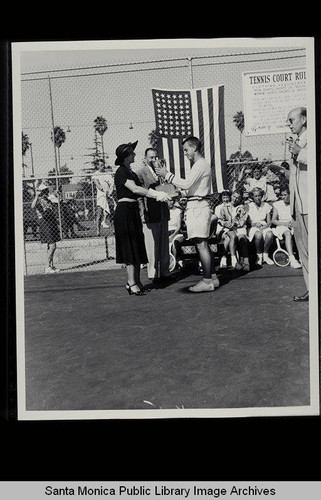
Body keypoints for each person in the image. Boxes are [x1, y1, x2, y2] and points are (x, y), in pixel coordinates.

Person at [155, 136, 220, 293]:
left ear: (194, 148)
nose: (185, 153)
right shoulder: (199, 165)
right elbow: (190, 189)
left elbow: (186, 183)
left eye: (186, 149)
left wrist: (166, 174)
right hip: (197, 206)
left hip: (198, 209)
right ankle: (213, 278)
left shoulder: (200, 164)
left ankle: (206, 281)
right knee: (202, 243)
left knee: (201, 244)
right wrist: (175, 192)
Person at [113, 141, 172, 296]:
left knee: (137, 246)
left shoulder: (130, 172)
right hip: (124, 211)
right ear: (125, 156)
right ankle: (131, 282)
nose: (134, 154)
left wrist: (163, 190)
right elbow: (135, 189)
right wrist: (156, 194)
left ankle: (136, 281)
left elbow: (145, 187)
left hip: (132, 211)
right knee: (129, 247)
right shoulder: (121, 172)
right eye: (131, 153)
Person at [136, 148, 174, 282]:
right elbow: (139, 195)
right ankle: (153, 274)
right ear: (145, 158)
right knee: (151, 246)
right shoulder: (140, 173)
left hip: (163, 213)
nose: (154, 160)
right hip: (150, 214)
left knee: (164, 244)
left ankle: (165, 271)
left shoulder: (162, 171)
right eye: (151, 157)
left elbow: (168, 188)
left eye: (156, 157)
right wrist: (142, 213)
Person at [286, 107, 308, 301]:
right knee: (303, 249)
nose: (289, 124)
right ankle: (311, 288)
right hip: (298, 205)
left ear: (304, 118)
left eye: (292, 120)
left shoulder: (311, 138)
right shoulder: (297, 142)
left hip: (310, 205)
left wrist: (300, 152)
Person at [31, 183, 61, 274]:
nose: (46, 192)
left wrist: (55, 194)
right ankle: (47, 266)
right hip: (45, 223)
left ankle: (51, 265)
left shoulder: (47, 200)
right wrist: (37, 195)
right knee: (52, 246)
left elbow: (56, 201)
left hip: (51, 222)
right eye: (44, 190)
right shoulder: (38, 200)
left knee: (51, 245)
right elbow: (32, 206)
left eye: (46, 190)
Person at [271, 185, 301, 269]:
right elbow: (273, 220)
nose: (283, 197)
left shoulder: (295, 204)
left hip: (293, 225)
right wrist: (285, 224)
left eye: (285, 195)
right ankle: (292, 259)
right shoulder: (277, 204)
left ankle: (302, 258)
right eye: (282, 195)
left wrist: (293, 223)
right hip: (281, 225)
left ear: (290, 195)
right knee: (287, 233)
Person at [220, 190, 250, 271]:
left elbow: (243, 220)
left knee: (242, 238)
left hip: (239, 228)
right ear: (231, 196)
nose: (235, 199)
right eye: (234, 196)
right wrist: (226, 224)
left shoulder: (242, 207)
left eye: (238, 198)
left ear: (240, 199)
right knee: (230, 236)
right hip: (228, 229)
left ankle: (246, 261)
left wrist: (236, 224)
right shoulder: (225, 207)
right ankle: (233, 261)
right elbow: (220, 220)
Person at [247, 187, 275, 266]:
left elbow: (269, 221)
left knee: (270, 234)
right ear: (252, 197)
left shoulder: (266, 205)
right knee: (258, 235)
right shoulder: (249, 206)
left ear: (262, 196)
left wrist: (266, 226)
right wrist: (255, 224)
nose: (258, 197)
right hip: (253, 226)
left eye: (259, 195)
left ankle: (265, 255)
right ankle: (259, 256)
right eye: (255, 196)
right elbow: (247, 222)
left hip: (264, 225)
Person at [92, 159, 114, 236]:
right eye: (100, 165)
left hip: (109, 195)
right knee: (99, 213)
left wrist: (110, 192)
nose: (102, 166)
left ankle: (113, 229)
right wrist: (104, 191)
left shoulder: (108, 174)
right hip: (101, 196)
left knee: (111, 213)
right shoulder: (96, 174)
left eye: (103, 165)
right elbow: (98, 184)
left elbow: (112, 184)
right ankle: (98, 231)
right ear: (97, 166)